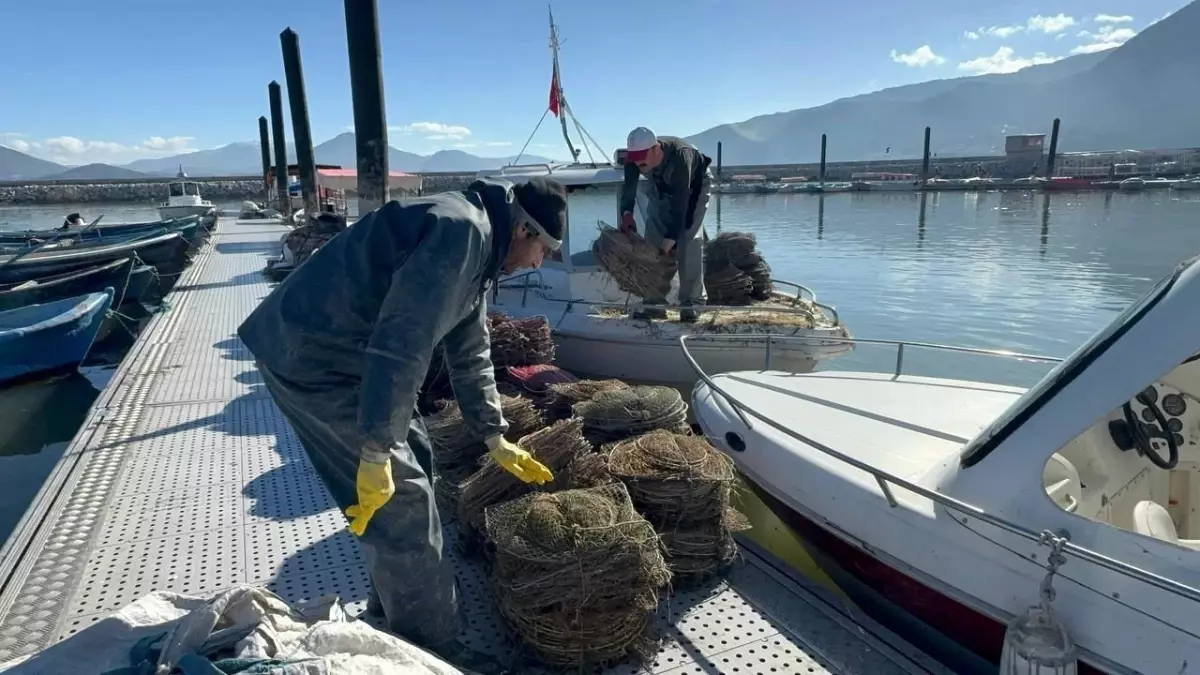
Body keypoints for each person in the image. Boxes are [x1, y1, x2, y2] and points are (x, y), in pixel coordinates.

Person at [236, 176, 568, 673]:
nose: (540, 264)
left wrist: (493, 433)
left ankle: (392, 609)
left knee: (421, 459)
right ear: (525, 229)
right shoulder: (462, 233)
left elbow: (470, 348)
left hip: (343, 355)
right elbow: (403, 344)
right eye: (545, 250)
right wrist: (375, 448)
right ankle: (428, 650)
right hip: (313, 358)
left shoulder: (481, 237)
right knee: (403, 499)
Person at [617, 127, 714, 322]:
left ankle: (691, 304)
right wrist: (627, 213)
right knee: (652, 241)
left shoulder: (680, 156)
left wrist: (670, 239)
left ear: (657, 150)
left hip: (693, 189)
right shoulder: (634, 159)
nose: (638, 162)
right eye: (634, 157)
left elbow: (682, 203)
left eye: (642, 156)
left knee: (687, 241)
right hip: (661, 186)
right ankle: (653, 304)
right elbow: (629, 189)